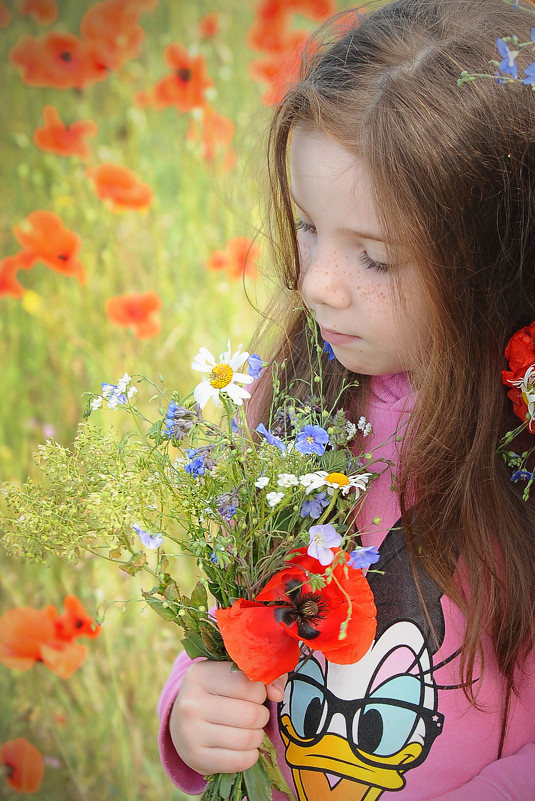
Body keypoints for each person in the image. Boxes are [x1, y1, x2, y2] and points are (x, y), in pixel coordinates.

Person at [158, 0, 535, 798]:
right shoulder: (296, 396)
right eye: (305, 226)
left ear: (498, 254)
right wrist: (193, 710)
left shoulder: (522, 457)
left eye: (373, 256)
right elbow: (238, 620)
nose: (315, 283)